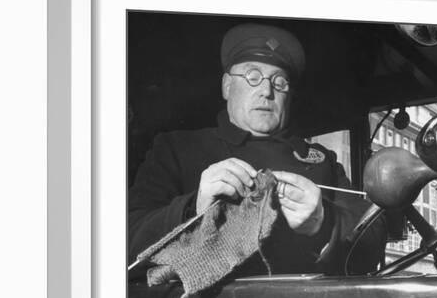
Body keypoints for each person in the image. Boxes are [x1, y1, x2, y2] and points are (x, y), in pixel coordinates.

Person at [128, 23, 386, 278]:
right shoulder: (177, 148)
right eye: (253, 77)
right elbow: (125, 242)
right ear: (227, 86)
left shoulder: (321, 160)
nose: (266, 91)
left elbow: (373, 242)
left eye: (280, 81)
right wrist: (191, 209)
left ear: (289, 95)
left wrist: (323, 222)